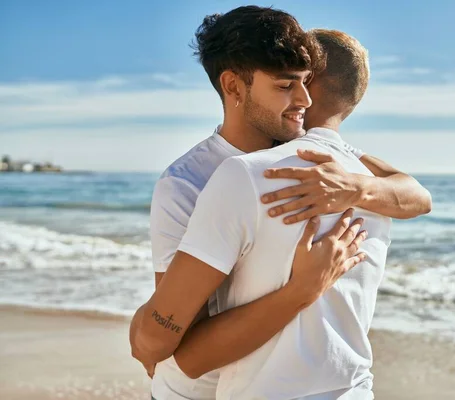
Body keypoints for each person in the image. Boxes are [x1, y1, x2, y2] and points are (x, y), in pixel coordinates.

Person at [130, 6, 431, 400]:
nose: (305, 100)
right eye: (287, 85)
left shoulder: (318, 159)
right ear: (234, 87)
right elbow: (169, 330)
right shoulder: (186, 183)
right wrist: (303, 289)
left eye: (306, 82)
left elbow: (416, 195)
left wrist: (355, 188)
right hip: (196, 392)